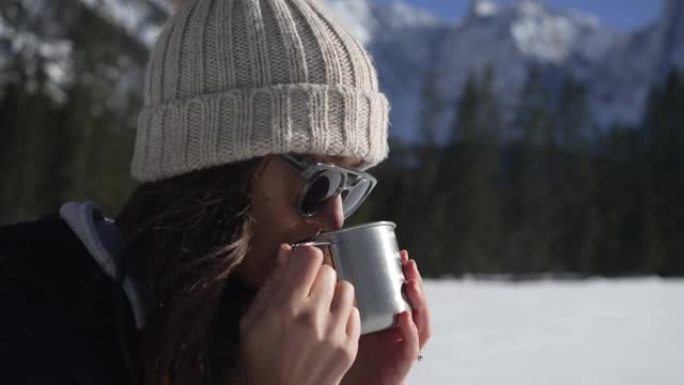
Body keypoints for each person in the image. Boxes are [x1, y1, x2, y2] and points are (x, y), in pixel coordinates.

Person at [0, 0, 431, 384]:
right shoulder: (31, 314)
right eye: (319, 182)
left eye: (350, 185)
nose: (335, 220)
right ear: (216, 168)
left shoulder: (230, 330)